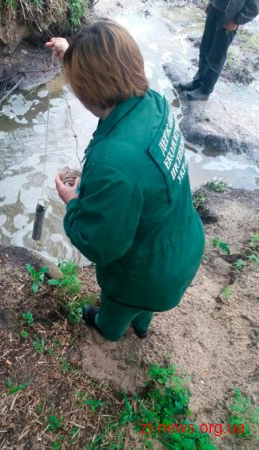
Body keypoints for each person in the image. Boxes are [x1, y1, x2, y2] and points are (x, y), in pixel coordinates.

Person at [46, 19, 205, 342]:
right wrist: (70, 55)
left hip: (139, 277)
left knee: (117, 309)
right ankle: (142, 328)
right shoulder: (155, 104)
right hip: (182, 249)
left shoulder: (113, 163)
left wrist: (73, 204)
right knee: (145, 307)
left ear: (87, 91)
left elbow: (101, 246)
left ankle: (109, 329)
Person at [179, 0, 259, 101]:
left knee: (217, 57)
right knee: (204, 48)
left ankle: (205, 90)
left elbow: (254, 8)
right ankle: (198, 81)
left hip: (229, 19)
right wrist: (211, 3)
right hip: (214, 10)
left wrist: (236, 21)